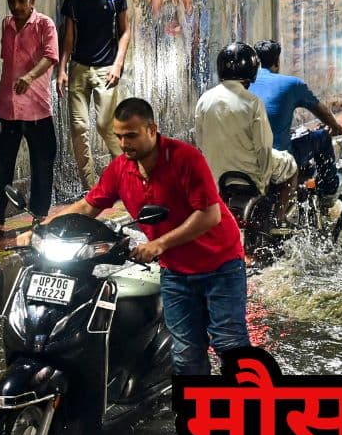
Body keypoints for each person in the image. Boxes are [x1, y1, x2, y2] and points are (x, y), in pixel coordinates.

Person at [27, 98, 250, 375]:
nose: (124, 143)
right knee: (185, 354)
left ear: (151, 129)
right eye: (119, 136)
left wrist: (158, 244)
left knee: (229, 343)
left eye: (131, 135)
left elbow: (209, 215)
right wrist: (42, 229)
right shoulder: (121, 169)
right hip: (176, 271)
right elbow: (88, 206)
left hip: (220, 265)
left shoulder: (186, 158)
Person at [0, 0, 60, 235]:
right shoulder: (7, 25)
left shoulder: (45, 25)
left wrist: (30, 77)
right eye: (12, 1)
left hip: (37, 109)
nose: (16, 6)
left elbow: (50, 56)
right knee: (1, 165)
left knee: (41, 166)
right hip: (6, 108)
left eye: (21, 1)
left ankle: (40, 217)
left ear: (32, 0)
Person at [195, 42, 299, 223]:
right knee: (290, 165)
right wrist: (263, 184)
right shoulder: (252, 102)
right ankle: (279, 220)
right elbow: (264, 148)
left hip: (217, 177)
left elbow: (200, 142)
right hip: (250, 175)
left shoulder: (204, 100)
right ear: (251, 71)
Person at [58, 0, 132, 191]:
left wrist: (118, 64)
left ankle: (126, 174)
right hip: (79, 67)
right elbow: (68, 36)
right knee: (79, 128)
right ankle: (90, 187)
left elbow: (125, 31)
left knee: (104, 124)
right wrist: (62, 68)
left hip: (106, 69)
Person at [250, 39, 342, 207]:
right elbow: (321, 111)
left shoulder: (245, 84)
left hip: (250, 159)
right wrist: (336, 127)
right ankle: (328, 190)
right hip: (279, 158)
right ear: (277, 61)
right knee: (322, 137)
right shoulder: (292, 84)